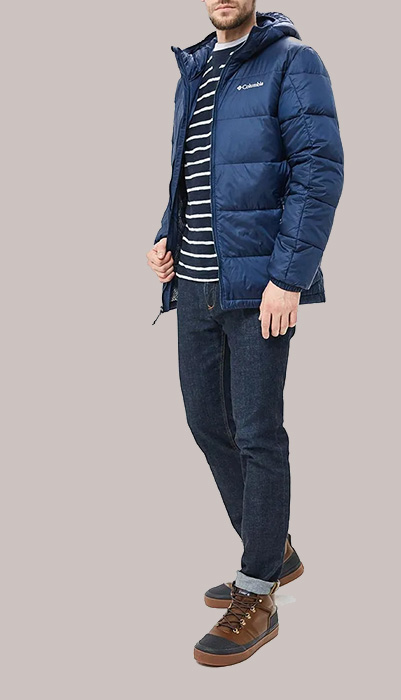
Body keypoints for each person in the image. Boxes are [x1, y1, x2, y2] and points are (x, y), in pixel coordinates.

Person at [146, 1, 344, 666]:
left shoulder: (292, 61)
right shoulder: (196, 68)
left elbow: (318, 171)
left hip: (259, 290)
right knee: (207, 422)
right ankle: (273, 548)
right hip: (195, 285)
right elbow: (195, 175)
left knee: (257, 432)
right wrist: (165, 239)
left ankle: (257, 590)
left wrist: (288, 278)